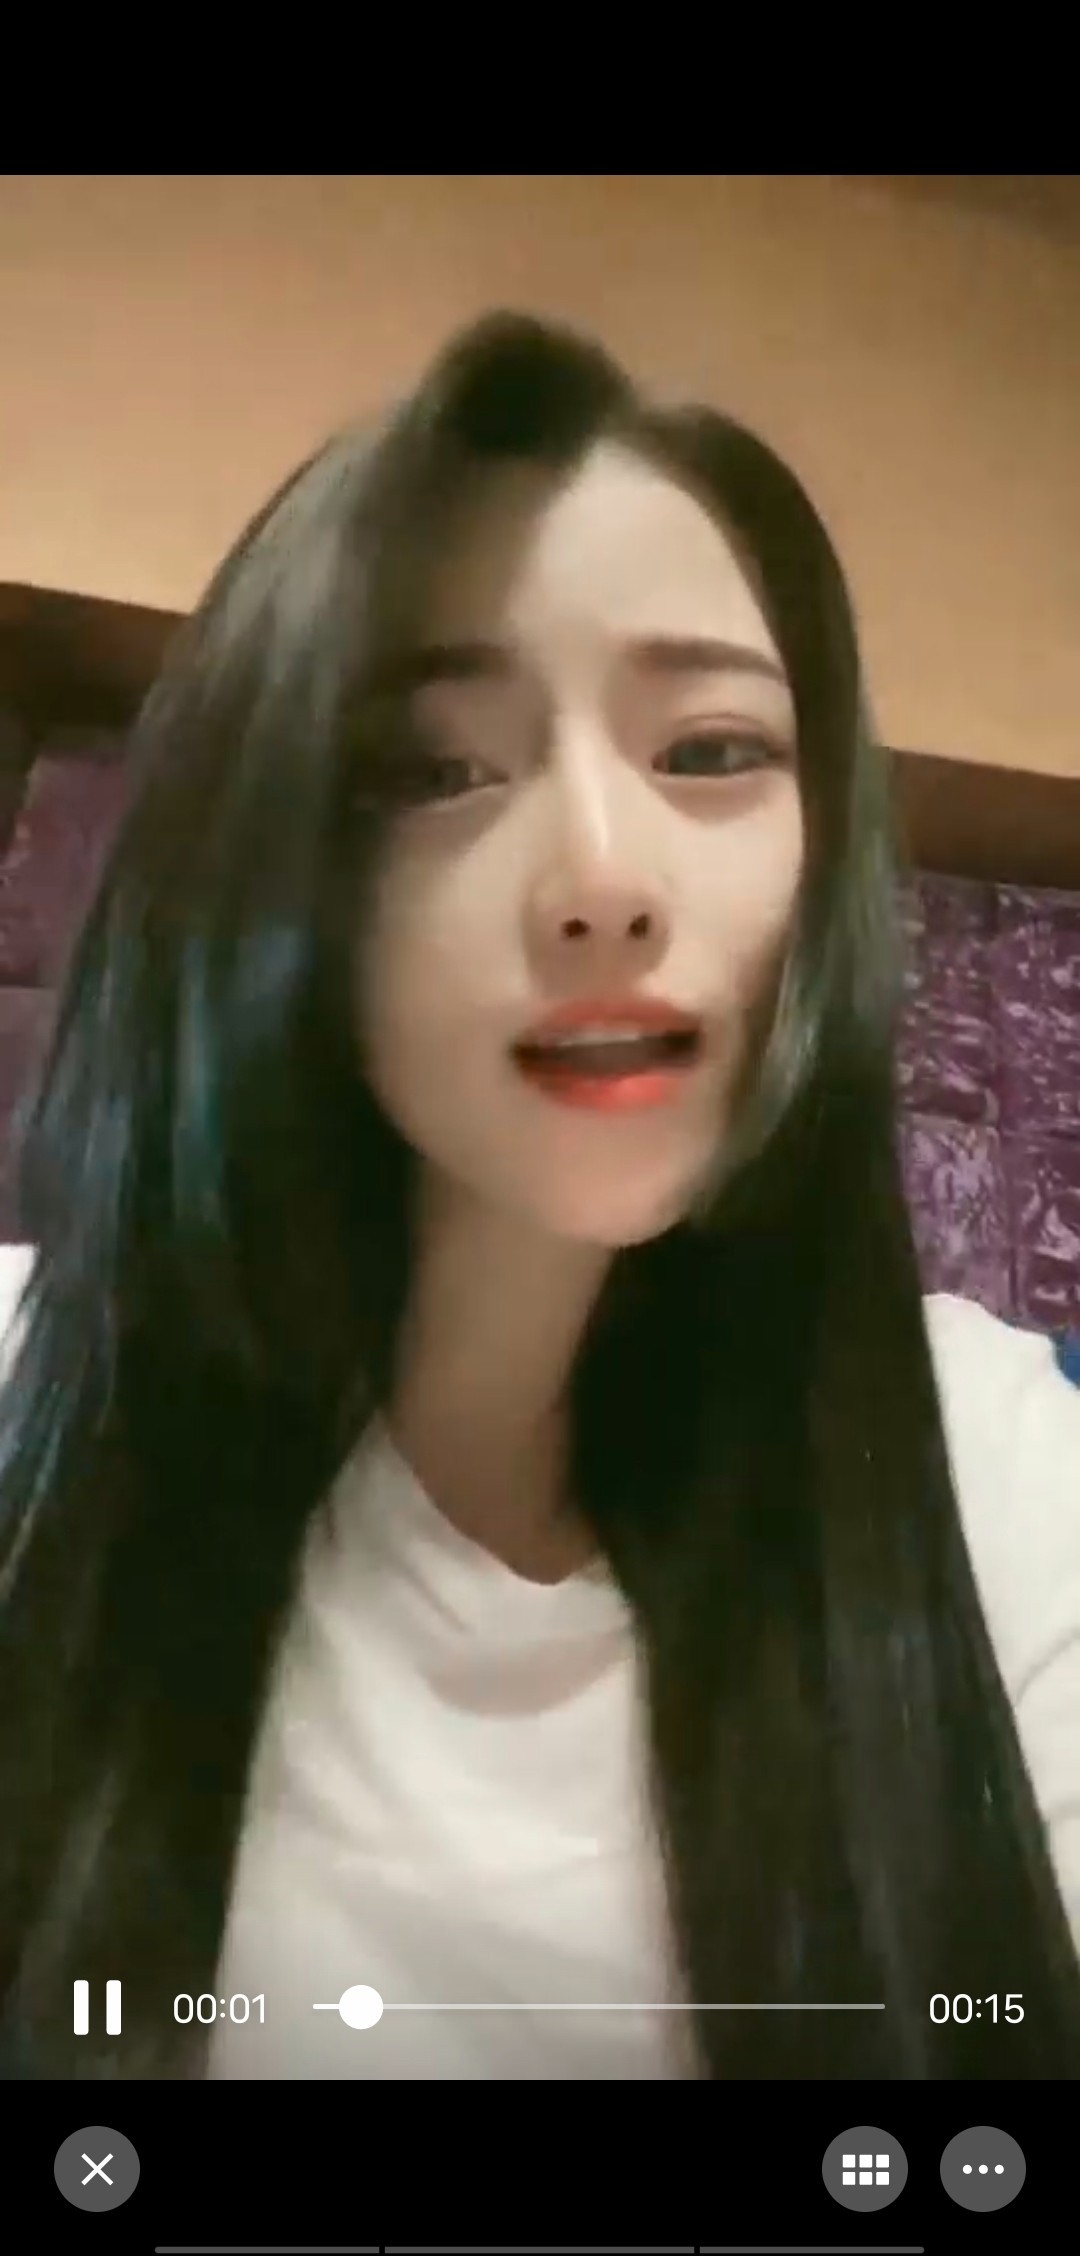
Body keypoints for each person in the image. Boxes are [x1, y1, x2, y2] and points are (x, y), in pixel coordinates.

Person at [0, 310, 1078, 2083]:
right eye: (438, 770)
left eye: (711, 752)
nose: (604, 877)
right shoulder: (31, 1391)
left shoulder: (991, 1463)